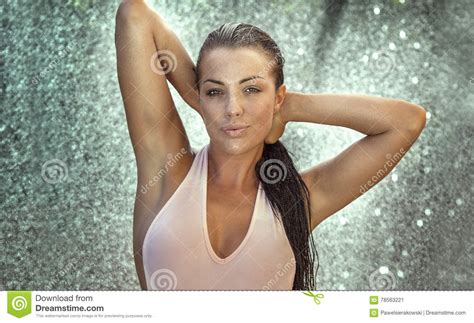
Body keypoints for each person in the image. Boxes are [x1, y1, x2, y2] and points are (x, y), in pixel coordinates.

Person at [114, 0, 426, 290]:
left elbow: (407, 122)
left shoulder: (299, 202)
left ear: (277, 96)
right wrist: (195, 96)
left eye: (251, 89)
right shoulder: (168, 170)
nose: (233, 108)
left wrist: (291, 108)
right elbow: (134, 14)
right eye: (215, 92)